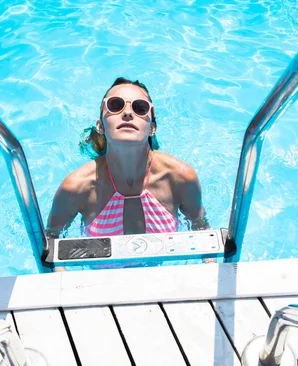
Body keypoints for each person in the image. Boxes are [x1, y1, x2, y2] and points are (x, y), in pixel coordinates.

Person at [47, 77, 210, 271]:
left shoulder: (180, 178)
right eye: (115, 105)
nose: (127, 113)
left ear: (152, 128)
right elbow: (52, 241)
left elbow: (200, 229)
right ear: (100, 126)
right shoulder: (77, 187)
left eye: (140, 108)